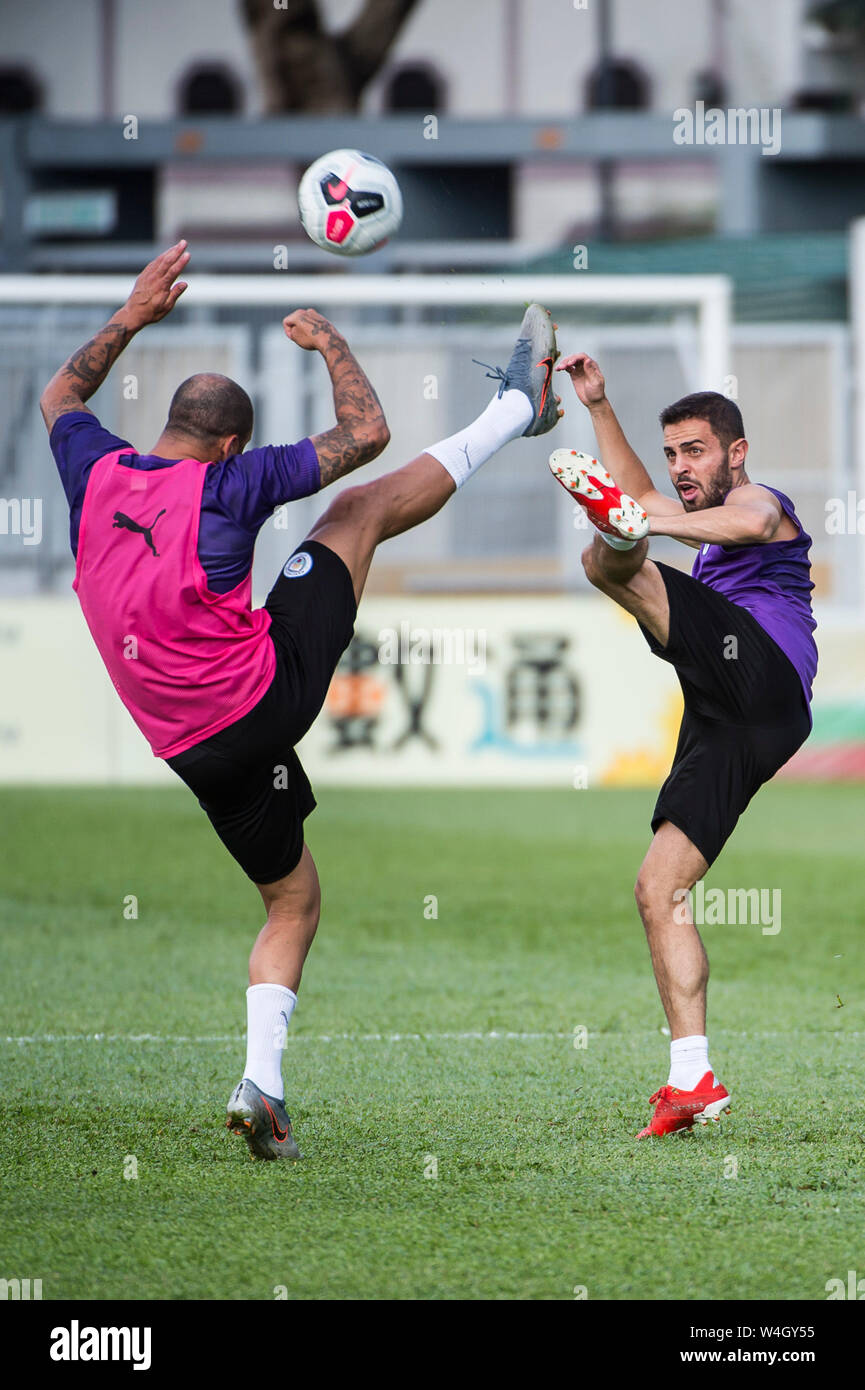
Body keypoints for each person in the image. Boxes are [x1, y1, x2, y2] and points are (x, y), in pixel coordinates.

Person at [40, 240, 562, 1159]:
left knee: (292, 901)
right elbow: (365, 436)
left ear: (164, 424)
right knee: (355, 513)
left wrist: (131, 314)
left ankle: (263, 1087)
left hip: (192, 750)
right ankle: (519, 408)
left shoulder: (93, 472)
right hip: (264, 695)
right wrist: (327, 343)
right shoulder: (228, 483)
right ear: (231, 443)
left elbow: (59, 398)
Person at [550, 352, 817, 1139]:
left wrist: (642, 522)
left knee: (605, 556)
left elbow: (752, 521)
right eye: (672, 453)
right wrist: (598, 406)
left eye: (693, 450)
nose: (680, 465)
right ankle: (690, 1077)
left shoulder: (760, 501)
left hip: (758, 671)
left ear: (735, 451)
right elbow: (639, 502)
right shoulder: (689, 521)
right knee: (657, 887)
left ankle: (619, 541)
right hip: (728, 715)